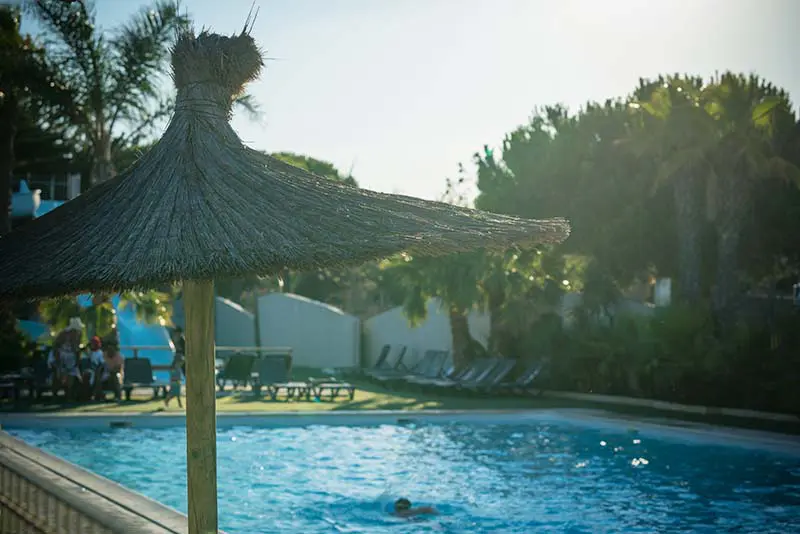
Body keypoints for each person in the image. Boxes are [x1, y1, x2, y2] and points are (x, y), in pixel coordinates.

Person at [48, 317, 84, 400]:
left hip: (71, 359)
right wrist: (58, 363)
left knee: (72, 375)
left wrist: (76, 362)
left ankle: (69, 396)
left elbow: (77, 350)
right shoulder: (63, 334)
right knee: (58, 374)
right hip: (59, 356)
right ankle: (55, 396)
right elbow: (55, 349)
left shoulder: (78, 335)